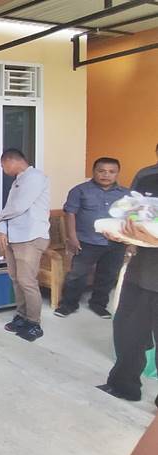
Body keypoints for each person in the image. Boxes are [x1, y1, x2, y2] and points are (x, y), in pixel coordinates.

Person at [97, 161, 158, 407]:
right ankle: (124, 386)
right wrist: (121, 234)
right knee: (127, 332)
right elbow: (130, 211)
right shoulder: (147, 174)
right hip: (141, 273)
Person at [54, 157, 129, 319]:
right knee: (77, 275)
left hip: (116, 242)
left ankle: (98, 304)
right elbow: (70, 214)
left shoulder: (126, 194)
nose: (106, 175)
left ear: (117, 173)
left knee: (108, 275)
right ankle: (68, 304)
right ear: (93, 171)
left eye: (111, 172)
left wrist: (130, 241)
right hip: (86, 241)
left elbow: (130, 218)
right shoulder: (80, 190)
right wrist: (72, 237)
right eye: (101, 171)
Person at [0, 149, 50, 342]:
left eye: (3, 166)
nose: (3, 170)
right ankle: (22, 316)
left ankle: (34, 323)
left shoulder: (35, 177)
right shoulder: (18, 180)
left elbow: (18, 207)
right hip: (14, 237)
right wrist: (1, 229)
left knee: (27, 281)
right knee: (16, 279)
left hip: (30, 237)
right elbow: (9, 209)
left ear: (11, 161)